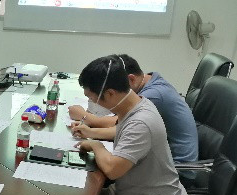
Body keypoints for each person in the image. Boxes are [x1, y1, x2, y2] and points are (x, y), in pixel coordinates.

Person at [51, 56, 188, 195]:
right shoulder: (138, 105)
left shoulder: (141, 122)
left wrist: (96, 145)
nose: (94, 105)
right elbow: (120, 131)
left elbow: (113, 169)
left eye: (93, 98)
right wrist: (91, 132)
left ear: (110, 94)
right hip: (137, 193)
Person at [68, 54, 198, 168]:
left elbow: (121, 127)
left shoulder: (152, 97)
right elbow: (123, 126)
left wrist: (86, 119)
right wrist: (90, 132)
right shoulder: (149, 85)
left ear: (130, 79)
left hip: (177, 167)